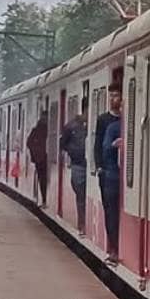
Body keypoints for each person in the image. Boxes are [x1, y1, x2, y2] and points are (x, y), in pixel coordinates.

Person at [95, 80, 123, 264]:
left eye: (116, 95)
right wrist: (99, 165)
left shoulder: (125, 121)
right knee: (110, 209)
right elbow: (99, 144)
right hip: (108, 171)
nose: (113, 99)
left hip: (119, 172)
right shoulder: (104, 120)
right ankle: (113, 247)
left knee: (114, 210)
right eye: (111, 95)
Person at [60, 99, 88, 234]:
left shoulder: (91, 125)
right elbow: (62, 144)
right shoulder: (71, 126)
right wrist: (72, 153)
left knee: (82, 196)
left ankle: (83, 223)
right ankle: (82, 224)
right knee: (81, 195)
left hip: (88, 166)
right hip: (78, 165)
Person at [100, 113, 122, 265]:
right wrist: (115, 144)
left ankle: (115, 248)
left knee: (112, 213)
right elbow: (105, 148)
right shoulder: (113, 128)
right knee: (112, 213)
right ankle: (114, 248)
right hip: (113, 176)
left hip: (120, 177)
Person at [26, 111, 49, 207]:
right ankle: (43, 199)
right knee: (43, 179)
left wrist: (34, 155)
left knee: (41, 178)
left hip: (39, 158)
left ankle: (43, 199)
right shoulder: (45, 129)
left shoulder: (35, 129)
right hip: (43, 158)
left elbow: (28, 143)